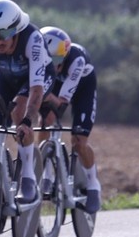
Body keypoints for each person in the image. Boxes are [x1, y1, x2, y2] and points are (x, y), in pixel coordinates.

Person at [0, 0, 52, 204]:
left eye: (4, 34)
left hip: (36, 79)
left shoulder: (32, 39)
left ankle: (27, 178)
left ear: (17, 28)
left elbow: (36, 87)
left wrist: (27, 121)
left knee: (18, 112)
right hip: (7, 78)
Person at [39, 26, 101, 213]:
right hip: (57, 85)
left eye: (57, 61)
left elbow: (62, 101)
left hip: (83, 89)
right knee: (45, 122)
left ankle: (93, 185)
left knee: (79, 141)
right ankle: (47, 174)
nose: (53, 66)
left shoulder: (77, 60)